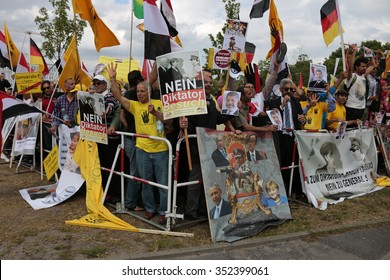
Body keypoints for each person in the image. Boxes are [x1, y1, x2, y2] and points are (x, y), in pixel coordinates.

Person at [109, 63, 171, 225]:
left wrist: (155, 112)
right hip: (142, 149)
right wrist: (113, 78)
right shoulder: (134, 106)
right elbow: (118, 95)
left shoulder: (159, 103)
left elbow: (169, 121)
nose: (139, 94)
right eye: (137, 92)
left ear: (149, 92)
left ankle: (164, 212)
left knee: (163, 184)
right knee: (145, 182)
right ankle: (150, 209)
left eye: (142, 91)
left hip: (161, 150)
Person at [178, 70, 234, 220]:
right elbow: (187, 124)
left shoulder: (211, 99)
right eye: (206, 82)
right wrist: (184, 124)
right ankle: (191, 211)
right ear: (197, 82)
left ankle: (204, 209)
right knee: (195, 180)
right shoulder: (192, 101)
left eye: (210, 82)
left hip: (210, 146)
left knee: (209, 180)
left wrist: (233, 110)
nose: (209, 84)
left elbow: (219, 118)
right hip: (196, 148)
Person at [268, 78, 306, 196]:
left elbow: (302, 120)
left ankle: (296, 190)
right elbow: (272, 117)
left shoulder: (296, 102)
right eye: (286, 89)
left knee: (295, 163)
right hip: (281, 136)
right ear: (280, 90)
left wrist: (303, 120)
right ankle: (284, 189)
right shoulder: (274, 102)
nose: (289, 91)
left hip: (293, 135)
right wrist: (282, 105)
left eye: (291, 89)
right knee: (283, 163)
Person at [92, 74, 122, 201]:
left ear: (105, 85)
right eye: (95, 83)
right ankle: (106, 191)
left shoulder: (109, 96)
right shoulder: (96, 96)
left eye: (99, 83)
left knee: (110, 166)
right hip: (99, 137)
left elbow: (108, 110)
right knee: (103, 165)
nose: (97, 86)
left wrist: (92, 103)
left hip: (110, 139)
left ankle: (114, 193)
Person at [119, 69, 145, 211]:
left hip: (130, 136)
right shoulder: (134, 95)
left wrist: (128, 128)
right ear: (139, 81)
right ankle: (130, 203)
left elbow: (122, 117)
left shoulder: (126, 95)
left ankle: (137, 201)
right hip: (135, 138)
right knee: (136, 171)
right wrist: (133, 129)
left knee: (136, 170)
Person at [343, 44, 375, 123]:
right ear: (356, 67)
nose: (364, 68)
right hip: (351, 107)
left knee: (358, 130)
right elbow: (350, 66)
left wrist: (370, 54)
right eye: (362, 66)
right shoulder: (351, 76)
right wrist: (354, 51)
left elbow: (373, 65)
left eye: (365, 66)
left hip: (361, 108)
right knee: (349, 129)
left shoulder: (364, 75)